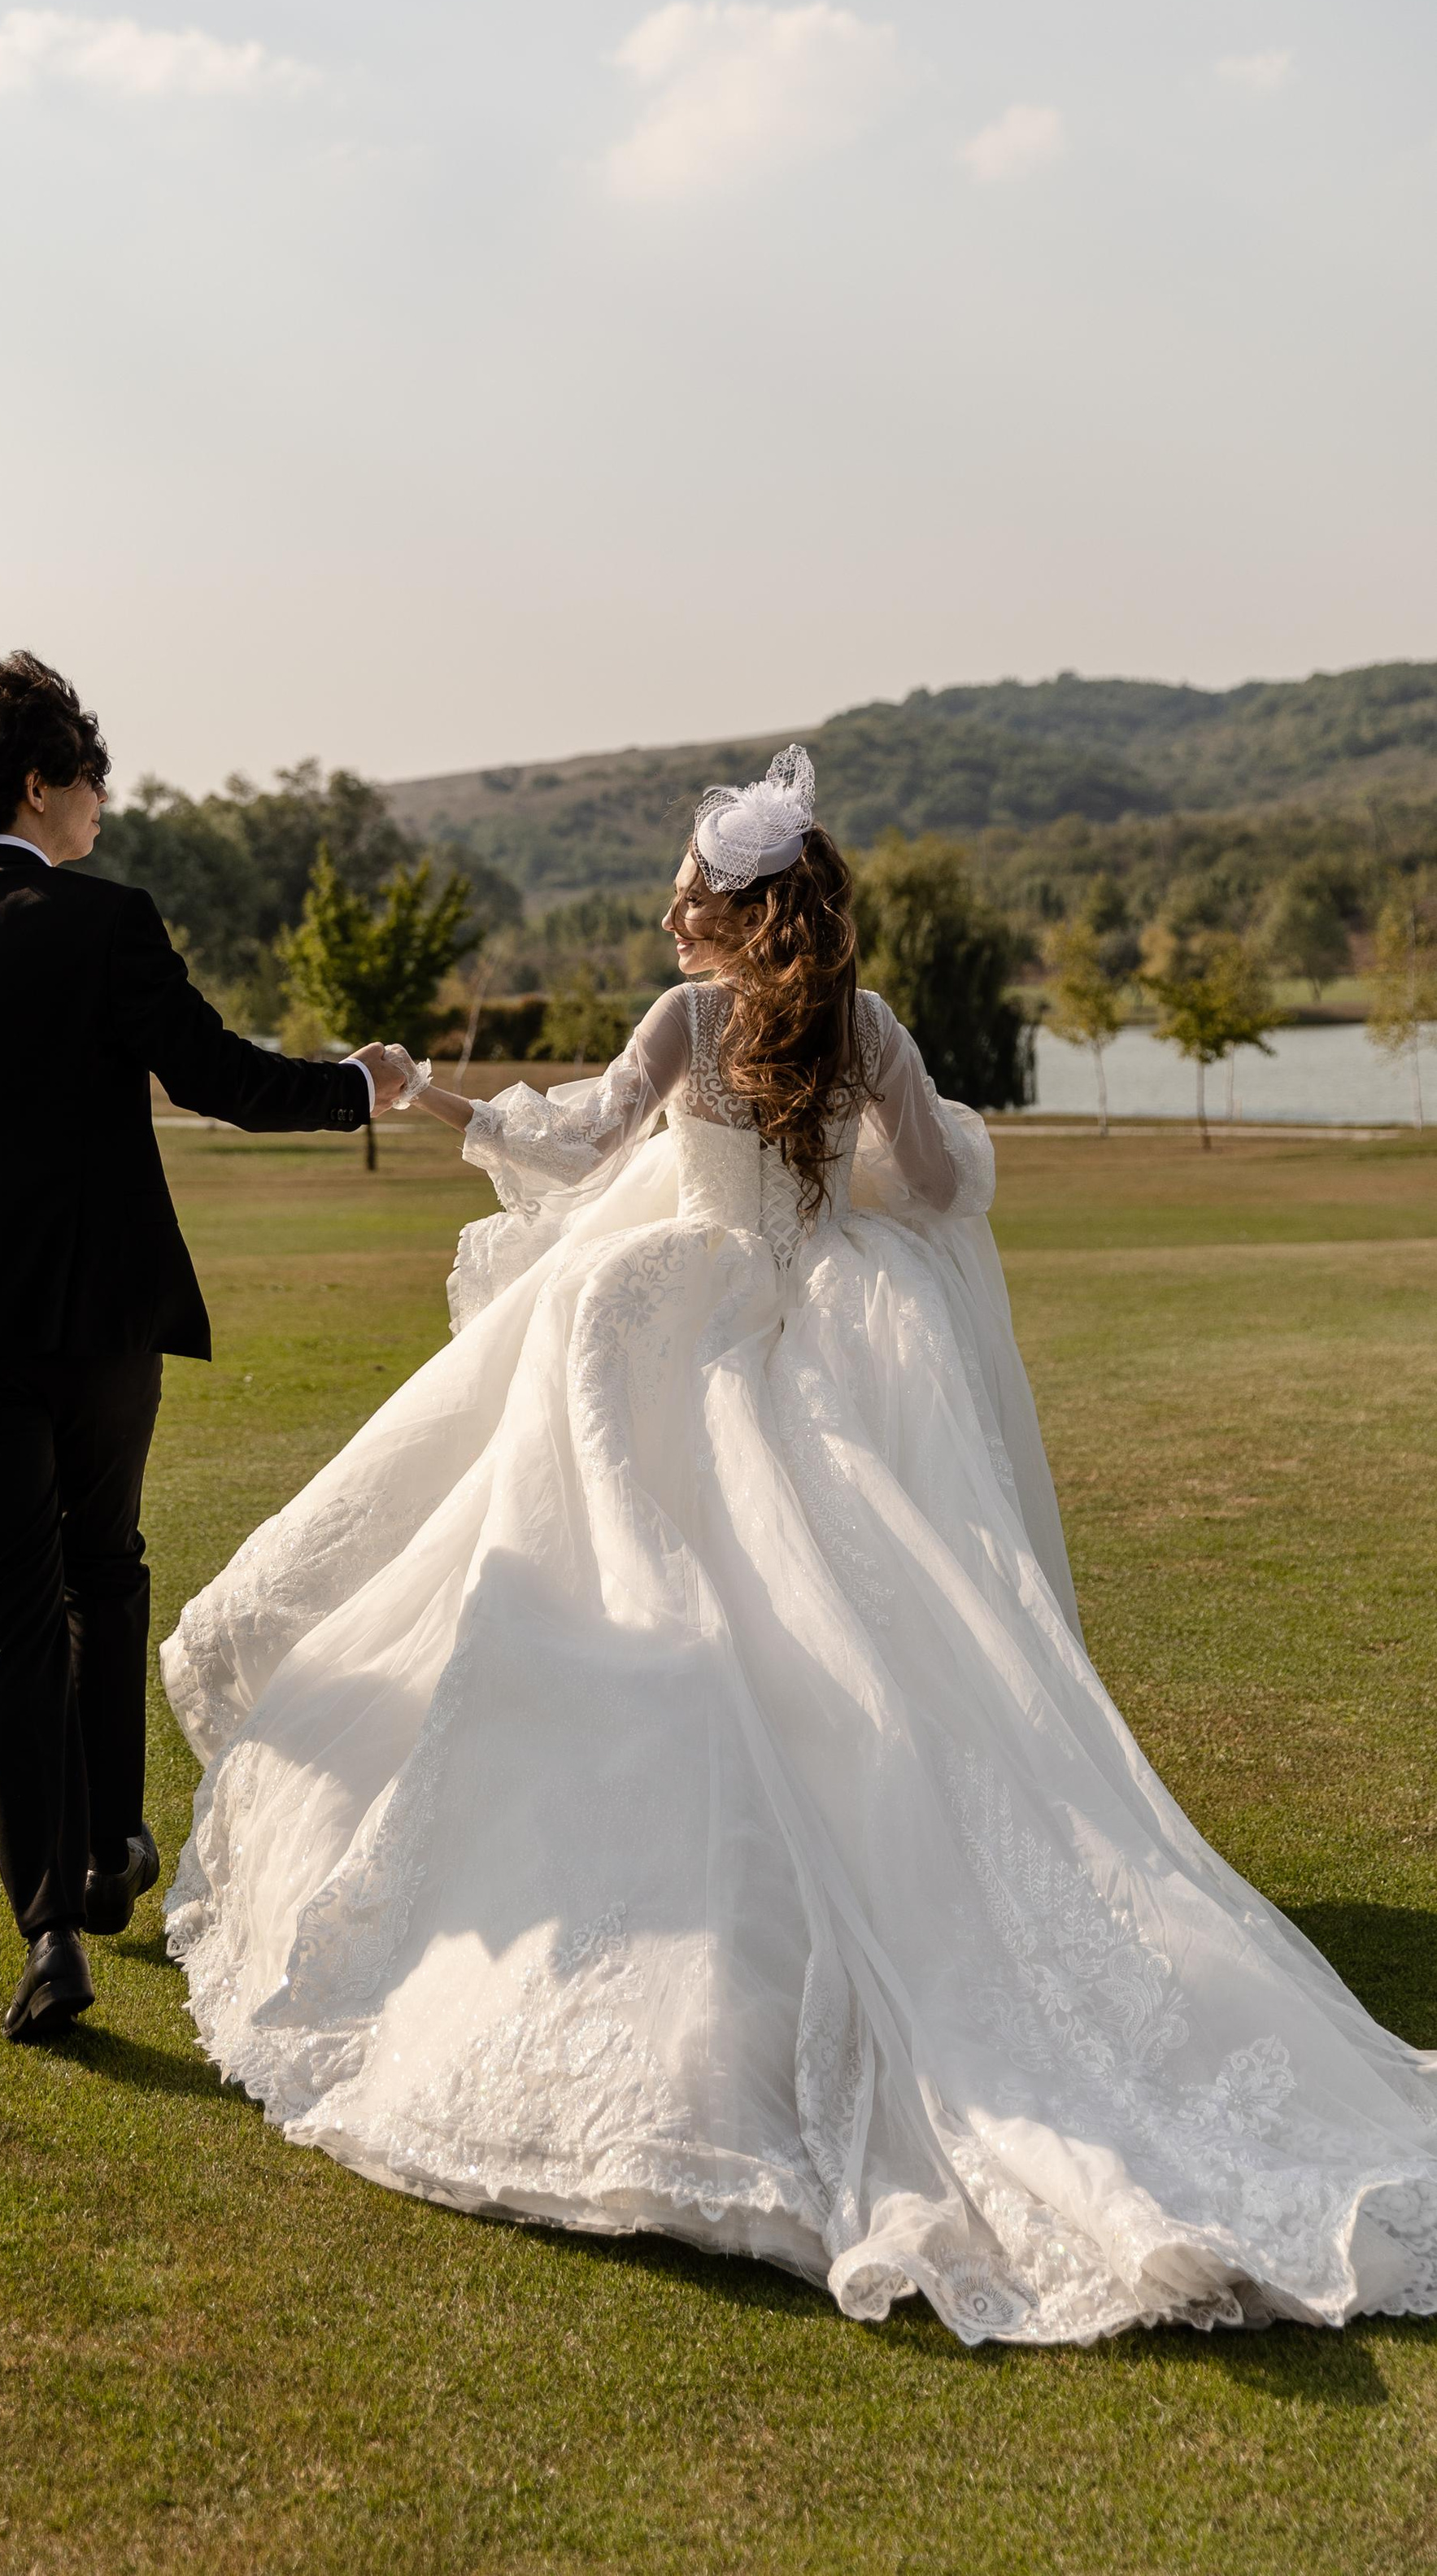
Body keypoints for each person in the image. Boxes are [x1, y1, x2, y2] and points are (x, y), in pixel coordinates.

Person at [161, 747, 1437, 2346]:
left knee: (643, 1600)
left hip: (668, 1324)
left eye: (683, 899)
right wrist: (861, 1181)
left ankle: (696, 1958)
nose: (668, 919)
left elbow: (577, 1147)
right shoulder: (868, 1027)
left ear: (729, 910)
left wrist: (425, 1094)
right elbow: (944, 1181)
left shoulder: (683, 1024)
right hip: (812, 1340)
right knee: (850, 1634)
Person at [0, 652, 403, 2044]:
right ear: (41, 784)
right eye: (93, 779)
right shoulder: (109, 924)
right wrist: (361, 1083)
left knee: (1, 1597)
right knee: (102, 1565)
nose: (104, 803)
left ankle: (51, 1925)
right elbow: (222, 1080)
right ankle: (112, 1840)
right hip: (100, 1318)